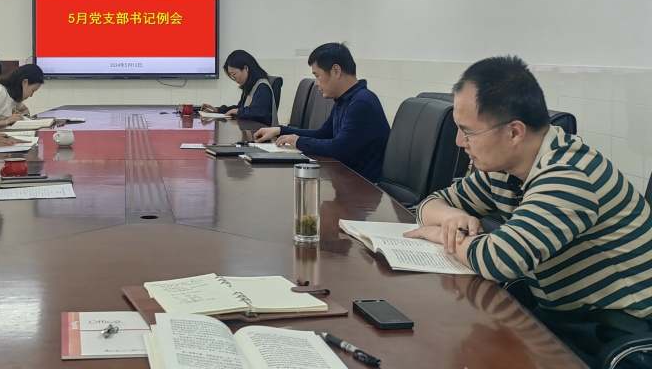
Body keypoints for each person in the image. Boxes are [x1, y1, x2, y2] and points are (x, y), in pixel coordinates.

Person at [405, 56, 652, 367]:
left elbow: (499, 259)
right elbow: (430, 203)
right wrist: (450, 217)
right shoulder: (504, 167)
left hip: (616, 335)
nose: (459, 142)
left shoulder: (568, 175)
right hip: (564, 316)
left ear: (514, 132)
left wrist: (440, 235)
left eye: (468, 132)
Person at [253, 42, 390, 182]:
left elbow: (339, 148)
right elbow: (323, 134)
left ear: (336, 71)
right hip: (345, 178)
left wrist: (298, 141)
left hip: (365, 186)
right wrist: (280, 131)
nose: (316, 83)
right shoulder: (345, 100)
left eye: (317, 76)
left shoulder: (362, 103)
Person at [201, 50, 276, 126]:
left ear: (245, 69)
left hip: (261, 131)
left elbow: (257, 113)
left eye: (234, 74)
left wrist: (237, 111)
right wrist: (217, 110)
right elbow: (240, 107)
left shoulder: (262, 86)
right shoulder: (250, 86)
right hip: (251, 129)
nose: (234, 79)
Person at [0, 64, 45, 130]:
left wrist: (20, 116)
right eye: (33, 91)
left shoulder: (13, 96)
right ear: (25, 82)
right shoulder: (0, 93)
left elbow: (25, 110)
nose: (31, 95)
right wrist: (6, 121)